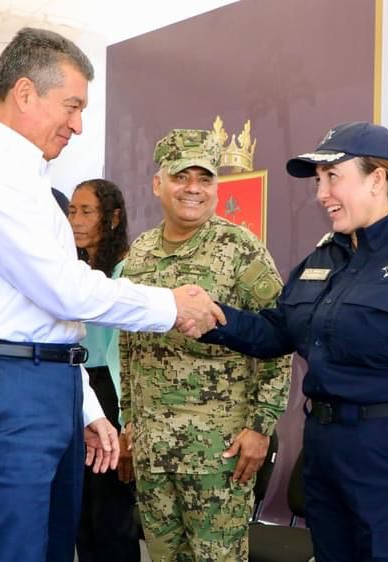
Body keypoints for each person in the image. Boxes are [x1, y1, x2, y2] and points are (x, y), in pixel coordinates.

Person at [0, 28, 223, 562]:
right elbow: (61, 290)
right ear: (25, 93)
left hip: (41, 385)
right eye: (71, 105)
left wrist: (82, 405)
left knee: (50, 550)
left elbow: (42, 316)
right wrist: (170, 305)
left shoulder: (26, 179)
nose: (78, 124)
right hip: (8, 390)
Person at [200, 121, 388, 561]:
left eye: (333, 177)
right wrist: (213, 318)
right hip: (325, 453)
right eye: (319, 180)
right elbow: (276, 331)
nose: (321, 193)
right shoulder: (323, 256)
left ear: (377, 179)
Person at [119, 128, 292, 562]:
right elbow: (128, 344)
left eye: (205, 178)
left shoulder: (239, 248)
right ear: (158, 184)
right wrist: (128, 419)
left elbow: (280, 337)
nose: (193, 188)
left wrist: (261, 428)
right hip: (153, 448)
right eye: (181, 176)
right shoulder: (139, 254)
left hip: (219, 451)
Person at [68, 179, 140, 562]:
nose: (76, 221)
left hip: (111, 390)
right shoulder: (71, 272)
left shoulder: (128, 270)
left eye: (86, 211)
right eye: (72, 211)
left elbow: (128, 353)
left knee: (111, 512)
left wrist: (127, 422)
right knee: (80, 509)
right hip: (76, 385)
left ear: (112, 218)